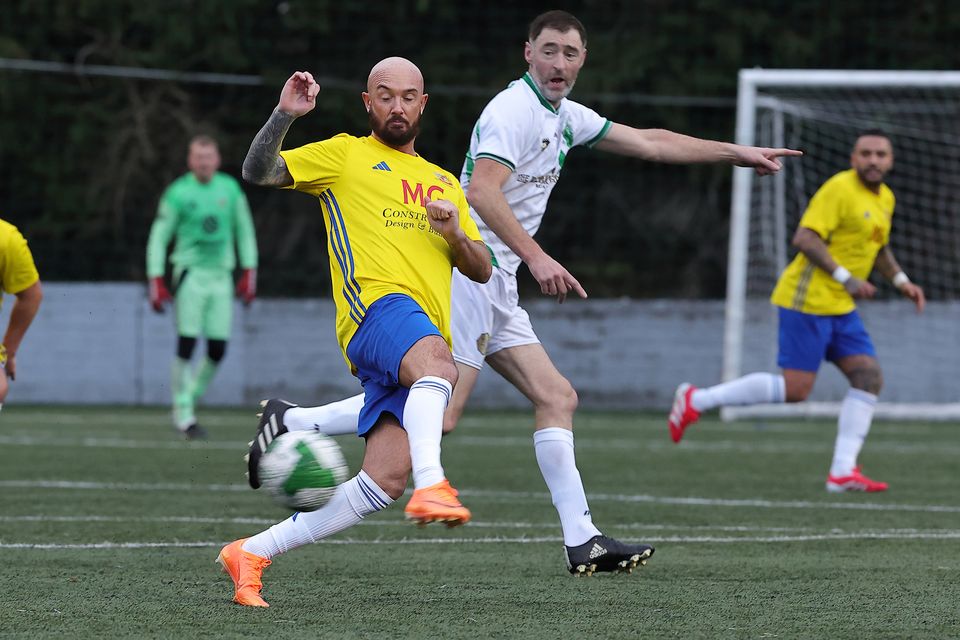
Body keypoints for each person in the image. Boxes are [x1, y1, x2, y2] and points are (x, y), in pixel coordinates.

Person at [246, 9, 801, 578]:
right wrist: (536, 257)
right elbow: (483, 191)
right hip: (464, 274)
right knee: (440, 412)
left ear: (583, 60)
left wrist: (736, 152)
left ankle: (581, 539)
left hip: (498, 281)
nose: (560, 62)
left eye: (571, 53)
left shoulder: (565, 116)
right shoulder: (512, 111)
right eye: (550, 50)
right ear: (528, 54)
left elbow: (650, 143)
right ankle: (307, 429)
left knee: (556, 396)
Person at [218, 58, 493, 607]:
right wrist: (283, 115)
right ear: (368, 103)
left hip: (417, 331)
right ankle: (434, 485)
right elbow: (259, 171)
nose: (398, 106)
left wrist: (455, 233)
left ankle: (251, 550)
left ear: (423, 104)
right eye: (385, 96)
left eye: (408, 96)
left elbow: (481, 267)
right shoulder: (345, 154)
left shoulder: (443, 182)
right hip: (373, 313)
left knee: (383, 483)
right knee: (441, 368)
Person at [668, 130, 924, 493]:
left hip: (840, 306)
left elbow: (878, 248)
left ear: (890, 160)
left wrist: (901, 281)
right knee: (796, 390)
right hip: (807, 301)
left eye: (880, 154)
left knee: (868, 378)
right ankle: (696, 399)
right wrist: (846, 277)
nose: (873, 160)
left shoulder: (885, 198)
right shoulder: (839, 189)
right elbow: (805, 238)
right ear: (853, 158)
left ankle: (842, 471)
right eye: (865, 153)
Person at [146, 135, 259, 439]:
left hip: (221, 277)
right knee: (186, 342)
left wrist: (249, 269)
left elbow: (244, 230)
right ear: (190, 161)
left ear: (217, 160)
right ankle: (183, 413)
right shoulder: (178, 193)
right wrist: (155, 276)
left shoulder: (230, 189)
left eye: (209, 157)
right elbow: (160, 235)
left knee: (218, 349)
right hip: (190, 275)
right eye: (198, 157)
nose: (204, 162)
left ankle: (188, 399)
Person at [0, 218, 43, 411]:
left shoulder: (6, 239)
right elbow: (31, 296)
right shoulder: (6, 236)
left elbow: (31, 296)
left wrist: (8, 352)